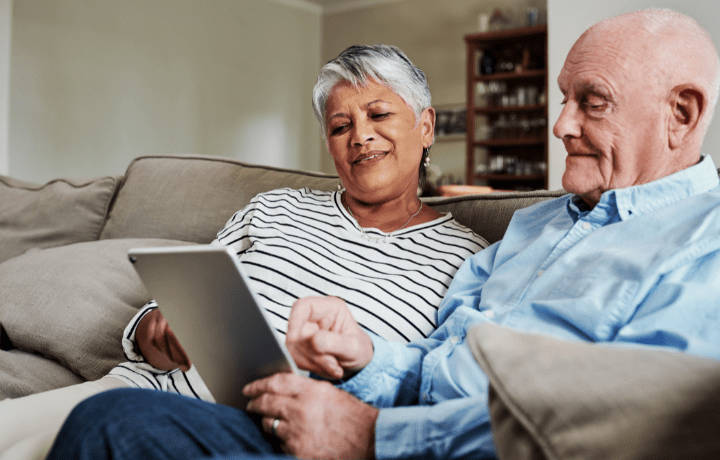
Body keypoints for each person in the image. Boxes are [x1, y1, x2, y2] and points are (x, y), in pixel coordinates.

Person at [47, 8, 720, 460]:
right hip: (300, 415)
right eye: (340, 126)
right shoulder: (534, 227)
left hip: (397, 444)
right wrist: (365, 357)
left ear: (682, 114)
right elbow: (433, 367)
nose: (561, 125)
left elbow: (633, 427)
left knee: (111, 428)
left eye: (590, 102)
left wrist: (372, 434)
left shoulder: (704, 243)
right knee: (107, 416)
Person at [0, 44, 487, 457]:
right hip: (137, 386)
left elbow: (440, 384)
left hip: (259, 435)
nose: (360, 136)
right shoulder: (274, 208)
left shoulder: (469, 255)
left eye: (379, 114)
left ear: (426, 126)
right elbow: (180, 297)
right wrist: (156, 325)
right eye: (341, 127)